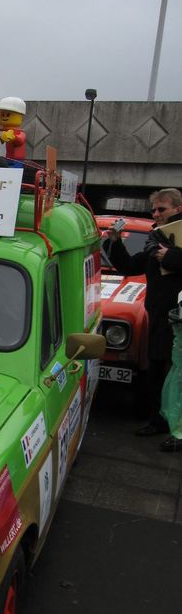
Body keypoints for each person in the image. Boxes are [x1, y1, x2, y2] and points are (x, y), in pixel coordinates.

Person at [105, 188, 182, 443]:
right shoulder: (154, 240)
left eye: (162, 209)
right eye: (154, 210)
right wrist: (115, 242)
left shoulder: (173, 240)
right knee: (158, 368)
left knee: (175, 372)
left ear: (177, 209)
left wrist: (171, 257)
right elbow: (129, 266)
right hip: (159, 315)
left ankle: (173, 426)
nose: (156, 214)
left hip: (178, 316)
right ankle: (158, 419)